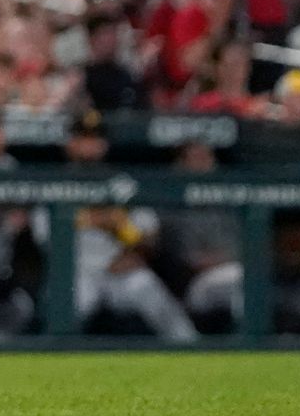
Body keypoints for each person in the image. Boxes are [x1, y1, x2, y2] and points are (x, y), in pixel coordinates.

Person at [162, 140, 300, 343]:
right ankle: (250, 348)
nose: (206, 162)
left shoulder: (236, 193)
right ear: (182, 162)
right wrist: (248, 261)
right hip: (207, 283)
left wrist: (277, 262)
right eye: (197, 157)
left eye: (208, 156)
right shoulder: (174, 199)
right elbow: (189, 260)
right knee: (244, 281)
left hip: (260, 272)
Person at [46, 110, 196, 342]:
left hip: (119, 268)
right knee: (72, 304)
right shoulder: (53, 184)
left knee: (149, 290)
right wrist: (96, 220)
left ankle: (192, 349)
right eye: (83, 138)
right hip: (77, 271)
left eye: (96, 138)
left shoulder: (122, 184)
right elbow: (44, 237)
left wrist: (133, 250)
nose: (90, 145)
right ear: (70, 143)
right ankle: (54, 359)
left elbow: (149, 232)